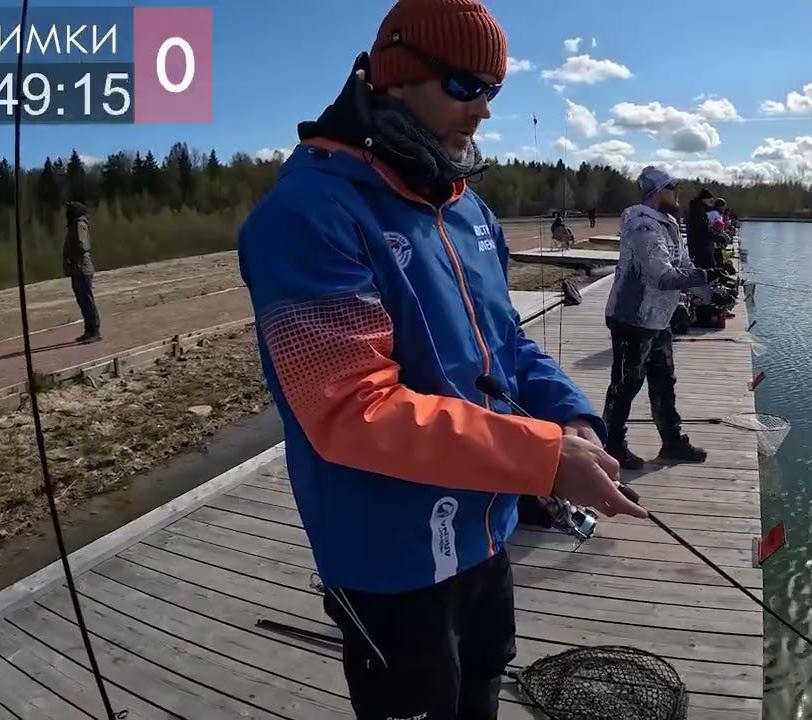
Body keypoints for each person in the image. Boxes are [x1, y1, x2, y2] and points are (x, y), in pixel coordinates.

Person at [237, 2, 645, 718]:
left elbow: (508, 346)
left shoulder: (466, 208)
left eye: (494, 89)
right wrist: (544, 461)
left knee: (484, 684)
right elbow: (351, 413)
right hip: (389, 562)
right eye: (464, 85)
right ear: (396, 75)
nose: (483, 109)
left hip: (487, 534)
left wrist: (570, 419)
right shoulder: (307, 214)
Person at [601, 166, 727, 470]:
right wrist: (704, 274)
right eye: (673, 186)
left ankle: (672, 442)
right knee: (626, 383)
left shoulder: (669, 222)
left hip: (658, 317)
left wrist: (711, 294)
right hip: (632, 317)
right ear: (657, 191)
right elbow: (661, 275)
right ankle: (612, 446)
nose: (678, 191)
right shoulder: (642, 225)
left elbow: (683, 265)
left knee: (664, 381)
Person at [63, 201, 100, 343]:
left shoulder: (79, 224)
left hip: (82, 268)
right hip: (77, 269)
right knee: (82, 301)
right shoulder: (74, 225)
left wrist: (71, 256)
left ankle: (94, 331)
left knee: (87, 301)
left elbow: (83, 245)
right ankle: (88, 330)